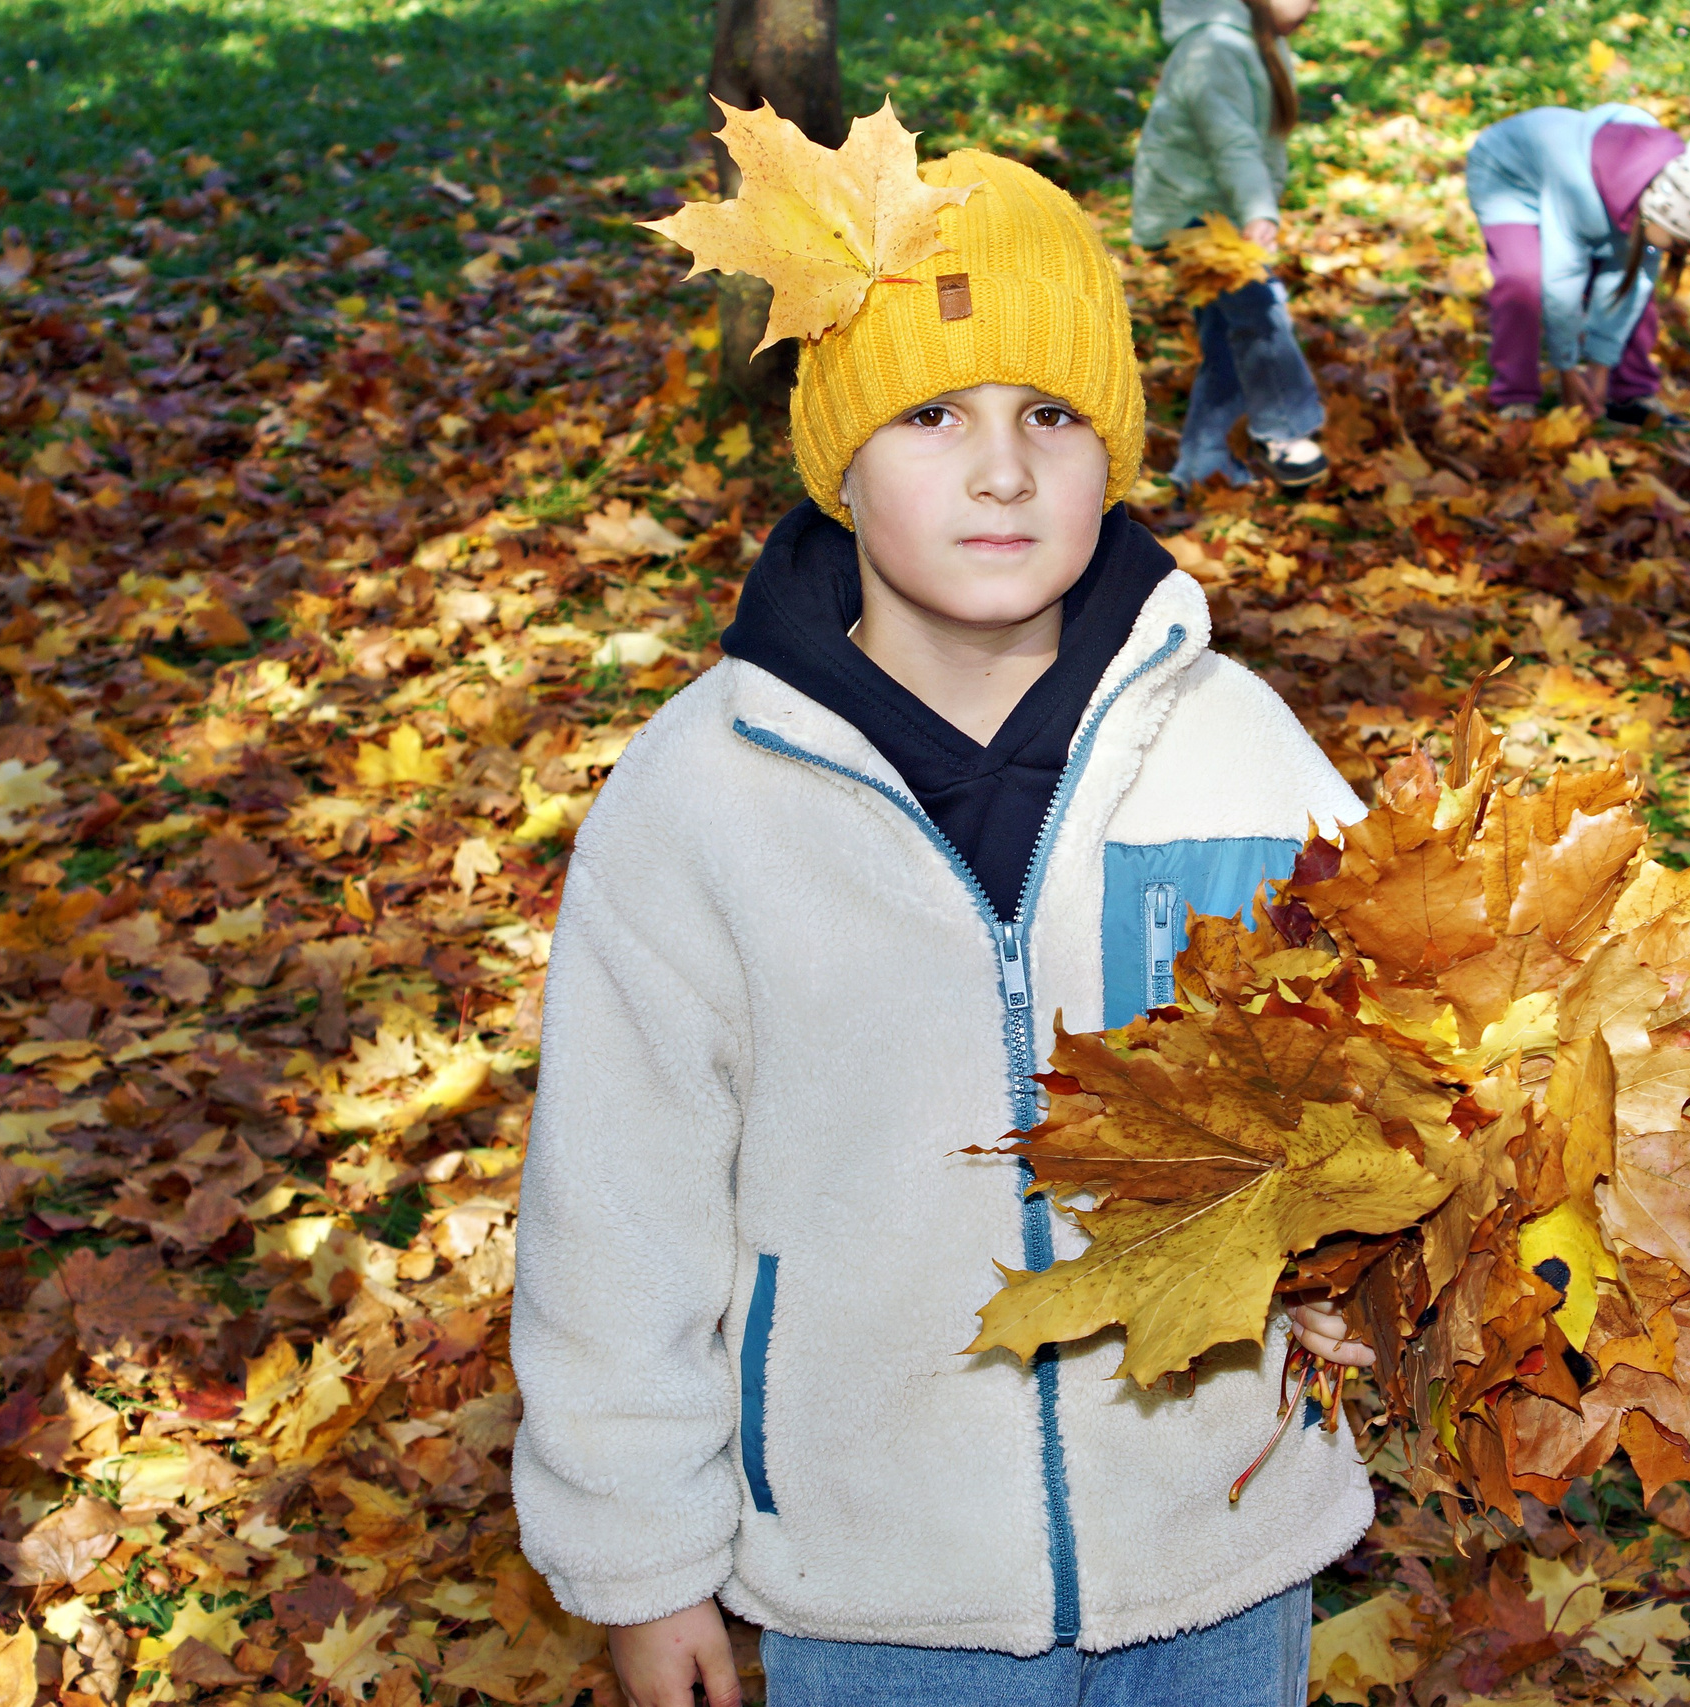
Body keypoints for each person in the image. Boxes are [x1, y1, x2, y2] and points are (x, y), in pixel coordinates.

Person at [513, 140, 1378, 1707]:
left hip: (1222, 1543)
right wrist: (638, 1561)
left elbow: (1392, 1075)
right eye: (933, 415)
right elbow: (619, 1211)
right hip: (876, 1586)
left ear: (1112, 449)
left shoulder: (1235, 744)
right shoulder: (705, 796)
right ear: (838, 460)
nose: (1003, 470)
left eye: (1053, 415)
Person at [1131, 0, 1330, 491]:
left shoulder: (1260, 45)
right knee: (1261, 308)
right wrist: (1258, 209)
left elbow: (1261, 143)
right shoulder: (1214, 47)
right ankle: (1284, 429)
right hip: (1190, 215)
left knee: (1226, 344)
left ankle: (1203, 467)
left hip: (1219, 210)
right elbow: (1231, 142)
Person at [1465, 105, 1690, 429]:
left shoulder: (1665, 185)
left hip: (1583, 192)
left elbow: (1630, 283)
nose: (1674, 252)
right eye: (1677, 242)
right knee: (1524, 282)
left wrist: (1599, 366)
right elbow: (1563, 279)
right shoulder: (1580, 185)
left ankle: (1629, 393)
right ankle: (1515, 395)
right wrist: (1567, 369)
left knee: (1634, 283)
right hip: (1509, 176)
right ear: (1657, 212)